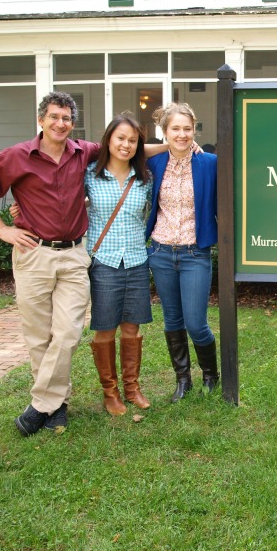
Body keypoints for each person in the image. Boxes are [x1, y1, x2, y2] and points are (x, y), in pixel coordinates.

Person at [0, 92, 98, 436]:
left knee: (68, 333)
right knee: (39, 336)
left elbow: (123, 146)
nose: (61, 123)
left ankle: (40, 405)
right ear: (41, 120)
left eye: (67, 118)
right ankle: (57, 406)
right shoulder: (17, 156)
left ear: (73, 123)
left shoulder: (83, 152)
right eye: (54, 116)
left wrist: (175, 146)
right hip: (33, 254)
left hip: (73, 255)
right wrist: (1, 228)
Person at [146, 102, 219, 402]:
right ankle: (183, 379)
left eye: (187, 129)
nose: (182, 134)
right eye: (175, 129)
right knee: (172, 321)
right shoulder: (155, 162)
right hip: (160, 252)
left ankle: (211, 375)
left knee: (196, 323)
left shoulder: (209, 162)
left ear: (195, 130)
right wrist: (166, 147)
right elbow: (127, 150)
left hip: (194, 254)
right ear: (165, 131)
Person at [85, 114, 154, 416]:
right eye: (120, 138)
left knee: (132, 327)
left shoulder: (144, 178)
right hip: (104, 261)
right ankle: (110, 392)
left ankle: (132, 388)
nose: (126, 144)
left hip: (137, 260)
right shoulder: (90, 175)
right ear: (108, 140)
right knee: (105, 329)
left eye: (132, 140)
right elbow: (61, 200)